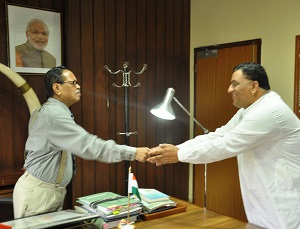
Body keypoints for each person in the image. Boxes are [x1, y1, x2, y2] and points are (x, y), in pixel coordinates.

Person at [148, 63, 300, 229]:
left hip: (284, 207)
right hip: (264, 204)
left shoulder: (269, 111)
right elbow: (219, 135)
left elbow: (226, 145)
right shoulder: (248, 110)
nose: (229, 89)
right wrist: (176, 149)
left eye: (234, 84)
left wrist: (179, 154)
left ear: (254, 85)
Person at [13, 66, 149, 219]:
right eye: (73, 83)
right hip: (39, 194)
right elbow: (88, 145)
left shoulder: (48, 111)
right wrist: (133, 152)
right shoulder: (54, 116)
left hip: (44, 191)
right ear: (57, 88)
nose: (78, 87)